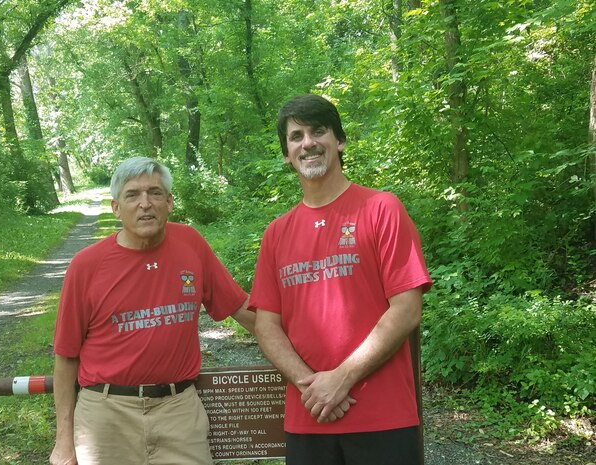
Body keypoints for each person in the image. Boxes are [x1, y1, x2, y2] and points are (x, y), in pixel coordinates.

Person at [249, 94, 432, 465]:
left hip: (384, 418)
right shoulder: (276, 233)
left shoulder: (381, 209)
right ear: (286, 153)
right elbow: (267, 325)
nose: (308, 143)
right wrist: (311, 385)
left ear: (340, 141)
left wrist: (342, 378)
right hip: (309, 418)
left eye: (319, 131)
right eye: (296, 136)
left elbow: (407, 308)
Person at [49, 156, 255, 465]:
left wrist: (306, 351)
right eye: (132, 195)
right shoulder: (86, 266)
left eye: (155, 193)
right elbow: (66, 357)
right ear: (115, 207)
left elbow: (242, 308)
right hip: (106, 415)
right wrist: (65, 441)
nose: (145, 203)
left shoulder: (191, 245)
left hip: (179, 411)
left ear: (169, 202)